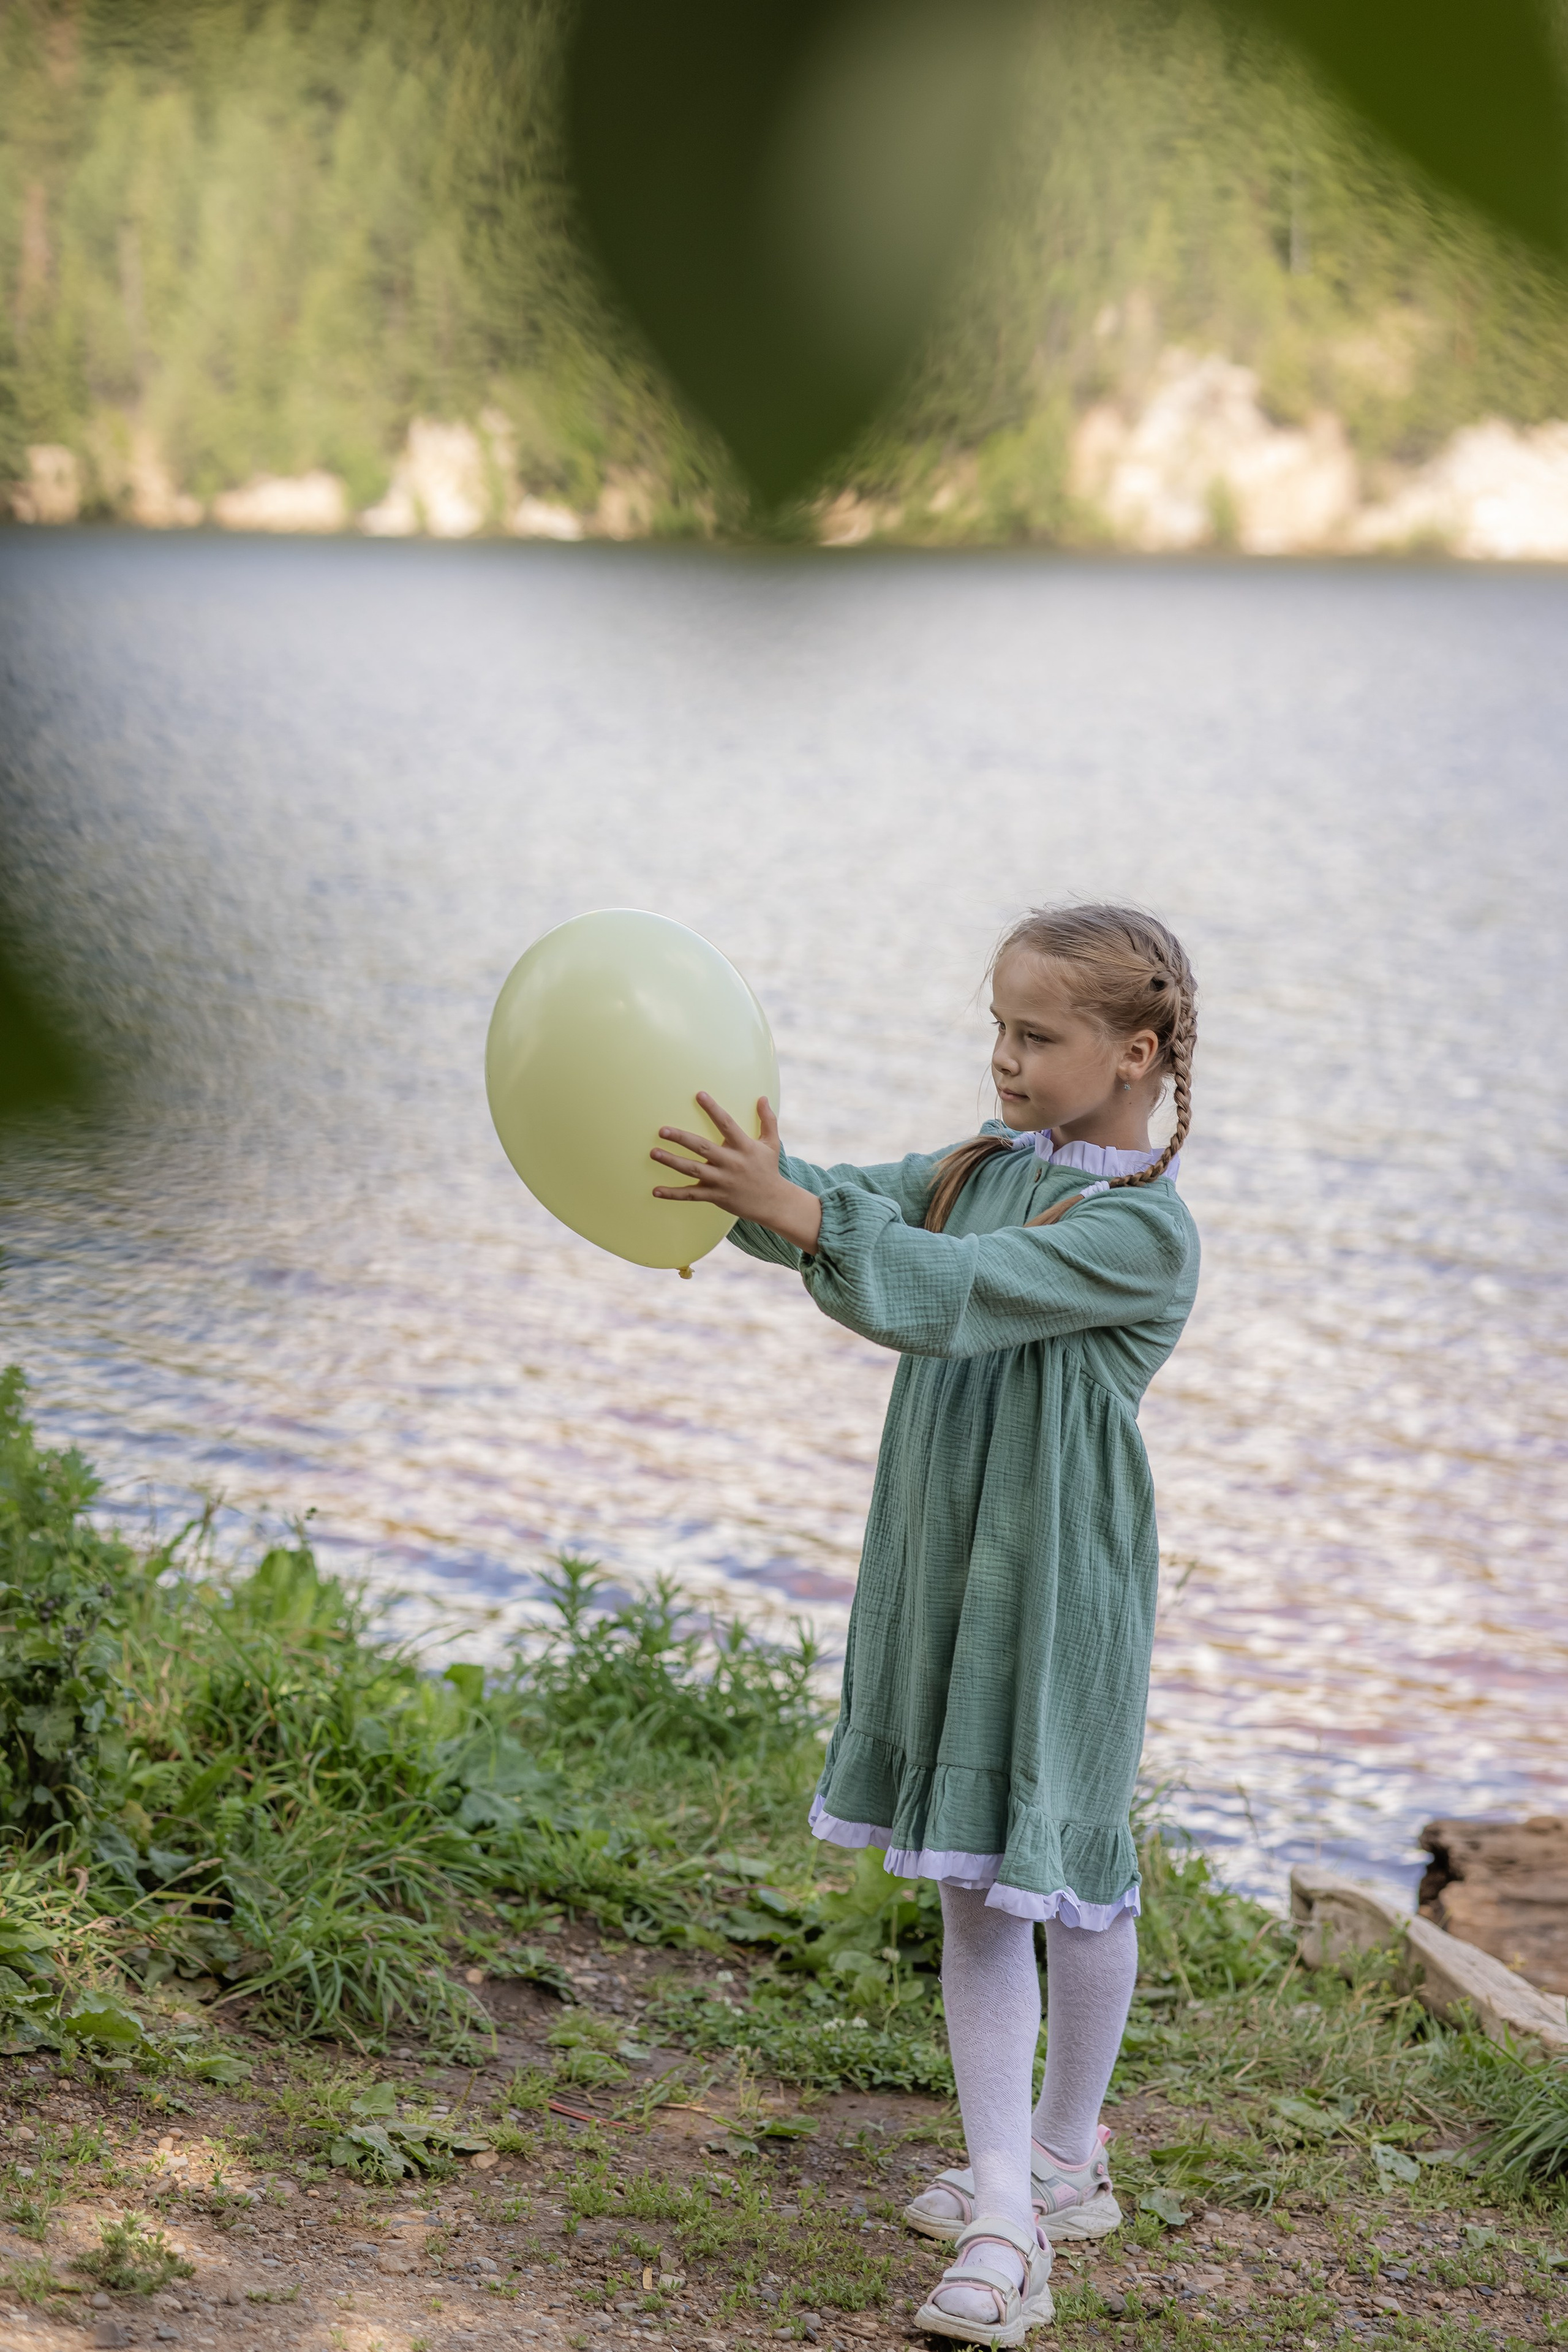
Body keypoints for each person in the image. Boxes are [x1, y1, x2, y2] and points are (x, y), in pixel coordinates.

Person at [650, 904, 1200, 2345]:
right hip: (948, 1567)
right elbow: (851, 1201)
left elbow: (945, 1294)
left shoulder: (1139, 1231)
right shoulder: (978, 1164)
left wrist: (803, 1215)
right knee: (975, 1879)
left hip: (1061, 1588)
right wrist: (747, 1184)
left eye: (1036, 1036)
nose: (1005, 1061)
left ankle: (1040, 2192)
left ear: (1132, 1052)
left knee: (1069, 1871)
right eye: (997, 1031)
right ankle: (1022, 2188)